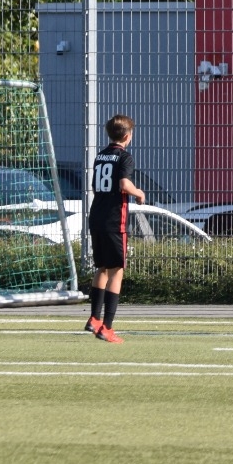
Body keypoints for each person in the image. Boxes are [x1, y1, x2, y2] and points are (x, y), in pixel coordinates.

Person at [85, 114, 145, 343]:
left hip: (96, 216)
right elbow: (124, 184)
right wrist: (139, 193)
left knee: (102, 267)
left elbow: (96, 186)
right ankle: (107, 328)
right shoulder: (125, 157)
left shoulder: (100, 156)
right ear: (128, 136)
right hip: (113, 220)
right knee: (116, 270)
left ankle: (94, 318)